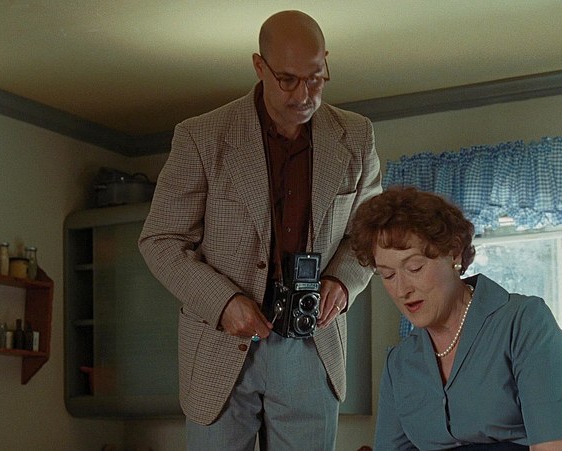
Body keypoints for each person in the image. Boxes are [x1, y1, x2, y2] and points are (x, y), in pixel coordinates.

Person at [138, 10, 381, 451]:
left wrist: (343, 282)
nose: (304, 95)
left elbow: (370, 234)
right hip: (220, 343)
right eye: (287, 80)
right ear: (259, 66)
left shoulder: (357, 136)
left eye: (316, 78)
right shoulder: (201, 136)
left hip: (313, 343)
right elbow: (160, 241)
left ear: (326, 61)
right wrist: (223, 302)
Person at [349, 187, 562, 451]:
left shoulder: (524, 323)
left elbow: (556, 444)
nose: (402, 289)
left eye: (415, 268)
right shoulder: (400, 363)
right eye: (388, 275)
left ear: (454, 253)